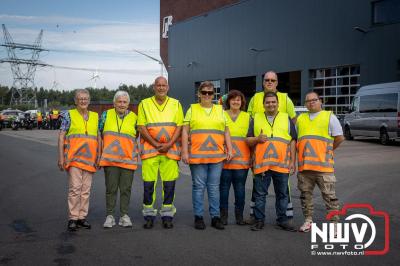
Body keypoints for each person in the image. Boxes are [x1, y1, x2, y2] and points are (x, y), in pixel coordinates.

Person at [182, 81, 233, 230]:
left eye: (210, 93)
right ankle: (198, 217)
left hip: (217, 157)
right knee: (198, 187)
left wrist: (230, 149)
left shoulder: (221, 111)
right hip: (197, 157)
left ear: (214, 94)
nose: (207, 95)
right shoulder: (192, 109)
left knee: (214, 188)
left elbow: (226, 131)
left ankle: (215, 217)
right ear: (198, 94)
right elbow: (185, 131)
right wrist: (185, 151)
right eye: (204, 92)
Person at [246, 71, 296, 224]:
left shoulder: (286, 100)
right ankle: (256, 218)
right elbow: (249, 125)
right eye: (266, 80)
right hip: (261, 160)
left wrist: (292, 160)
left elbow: (292, 131)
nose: (269, 82)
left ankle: (285, 219)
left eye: (272, 80)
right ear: (263, 82)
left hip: (281, 161)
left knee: (283, 192)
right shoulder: (255, 99)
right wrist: (252, 154)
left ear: (277, 82)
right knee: (259, 191)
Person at [137, 76, 184, 229]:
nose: (161, 88)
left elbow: (179, 127)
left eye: (164, 85)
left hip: (170, 151)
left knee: (169, 185)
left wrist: (169, 144)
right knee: (149, 185)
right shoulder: (144, 104)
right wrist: (156, 144)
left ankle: (167, 215)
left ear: (168, 87)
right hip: (151, 151)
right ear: (154, 87)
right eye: (158, 85)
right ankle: (149, 215)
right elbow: (141, 127)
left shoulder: (176, 104)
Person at [296, 91, 344, 232]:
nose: (311, 102)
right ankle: (308, 221)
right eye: (308, 101)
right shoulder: (301, 119)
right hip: (305, 168)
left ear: (320, 101)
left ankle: (335, 224)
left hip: (324, 168)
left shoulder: (329, 117)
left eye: (314, 100)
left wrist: (328, 151)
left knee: (330, 197)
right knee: (305, 196)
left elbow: (339, 138)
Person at [58, 89, 99, 231]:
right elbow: (62, 136)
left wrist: (98, 156)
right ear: (75, 101)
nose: (83, 101)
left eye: (85, 98)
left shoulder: (95, 116)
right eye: (80, 99)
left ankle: (82, 217)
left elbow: (98, 137)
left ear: (89, 100)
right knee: (75, 189)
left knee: (85, 190)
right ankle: (73, 218)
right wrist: (61, 157)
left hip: (90, 160)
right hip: (73, 159)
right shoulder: (68, 115)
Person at [98, 91, 138, 228]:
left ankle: (124, 216)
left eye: (124, 102)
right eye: (119, 102)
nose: (122, 104)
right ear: (114, 103)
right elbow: (99, 135)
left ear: (128, 104)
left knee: (126, 189)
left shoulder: (135, 117)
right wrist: (99, 154)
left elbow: (138, 135)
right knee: (111, 189)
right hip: (110, 160)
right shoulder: (105, 115)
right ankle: (110, 216)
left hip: (128, 160)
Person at [220, 90, 251, 225]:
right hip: (224, 160)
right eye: (233, 99)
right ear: (228, 101)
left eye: (238, 99)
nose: (235, 102)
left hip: (242, 162)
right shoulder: (221, 115)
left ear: (242, 102)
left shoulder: (248, 117)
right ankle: (223, 217)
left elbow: (251, 139)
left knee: (240, 189)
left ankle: (239, 217)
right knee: (223, 189)